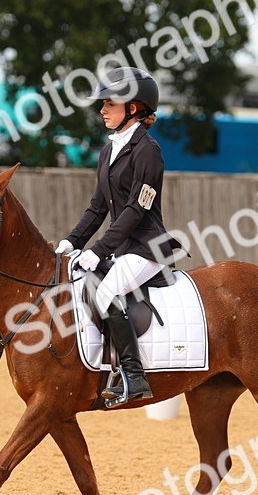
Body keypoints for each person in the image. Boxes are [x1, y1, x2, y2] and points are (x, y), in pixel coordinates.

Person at [54, 67, 182, 408]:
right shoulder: (108, 151)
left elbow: (136, 210)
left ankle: (134, 376)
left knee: (106, 293)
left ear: (133, 108)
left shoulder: (148, 151)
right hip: (122, 248)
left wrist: (99, 250)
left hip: (147, 247)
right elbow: (97, 208)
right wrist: (73, 241)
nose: (102, 110)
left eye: (110, 104)